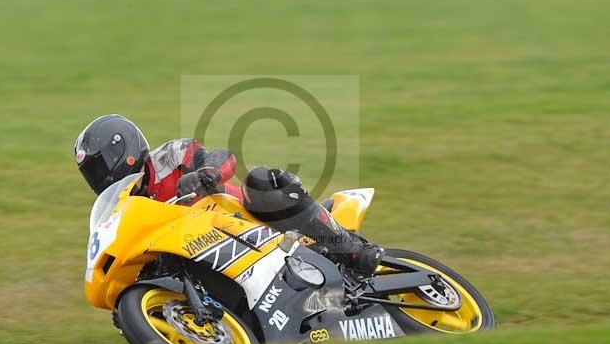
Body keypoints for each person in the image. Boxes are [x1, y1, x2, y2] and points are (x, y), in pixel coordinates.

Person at [74, 114, 383, 275]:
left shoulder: (170, 155)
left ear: (123, 149)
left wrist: (205, 174)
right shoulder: (124, 208)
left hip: (245, 220)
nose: (98, 177)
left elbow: (223, 157)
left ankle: (353, 250)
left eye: (99, 166)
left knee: (261, 181)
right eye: (92, 172)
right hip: (207, 250)